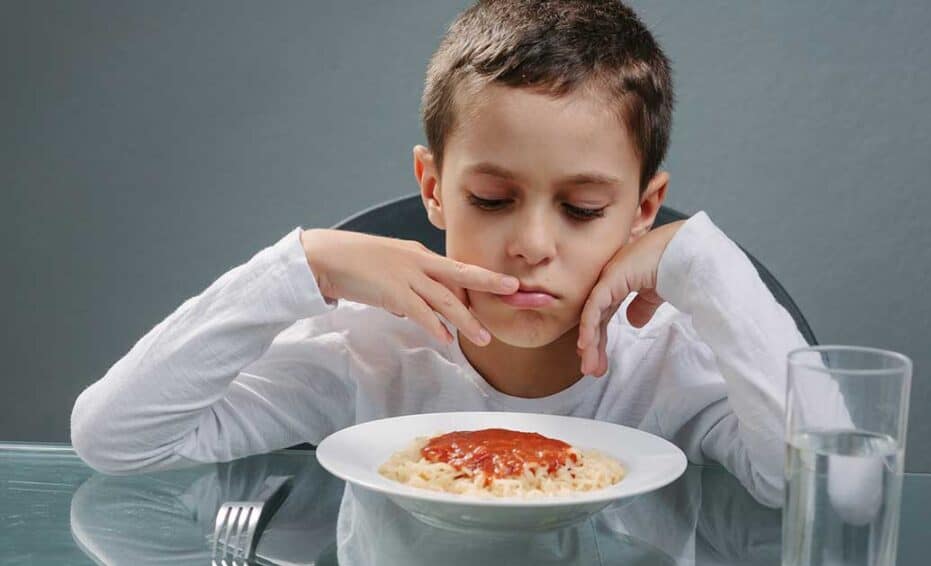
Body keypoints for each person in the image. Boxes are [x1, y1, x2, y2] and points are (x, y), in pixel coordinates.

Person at [71, 0, 808, 508]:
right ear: (433, 187)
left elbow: (819, 489)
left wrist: (700, 262)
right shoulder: (364, 353)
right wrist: (306, 263)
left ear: (642, 209)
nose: (531, 246)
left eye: (583, 209)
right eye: (492, 199)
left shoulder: (674, 363)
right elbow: (115, 439)